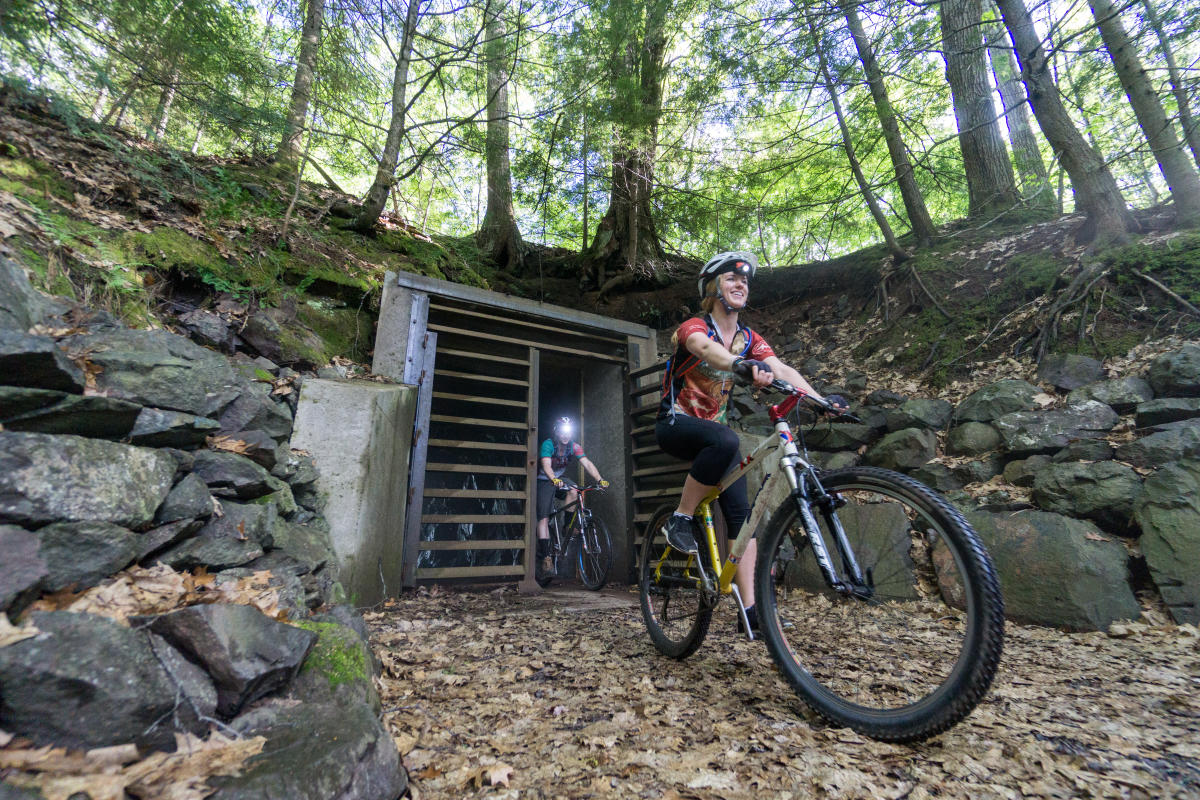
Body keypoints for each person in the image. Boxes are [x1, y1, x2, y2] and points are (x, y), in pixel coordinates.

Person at [655, 251, 846, 632]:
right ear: (712, 288)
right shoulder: (695, 326)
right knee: (727, 440)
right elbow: (705, 350)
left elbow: (780, 369)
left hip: (717, 435)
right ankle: (680, 518)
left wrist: (822, 402)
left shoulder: (749, 338)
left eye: (745, 281)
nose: (741, 284)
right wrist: (738, 365)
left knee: (745, 517)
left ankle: (752, 612)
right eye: (731, 278)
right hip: (676, 423)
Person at [536, 416, 608, 573]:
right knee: (543, 518)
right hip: (543, 480)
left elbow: (587, 463)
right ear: (556, 431)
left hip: (559, 479)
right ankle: (546, 557)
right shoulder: (548, 444)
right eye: (562, 431)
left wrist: (600, 479)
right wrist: (554, 479)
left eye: (568, 432)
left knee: (575, 490)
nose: (565, 435)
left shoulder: (573, 447)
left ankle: (567, 526)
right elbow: (546, 465)